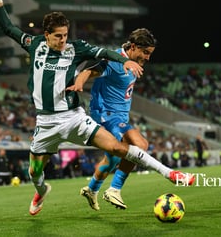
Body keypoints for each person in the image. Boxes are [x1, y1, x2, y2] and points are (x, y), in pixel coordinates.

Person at [0, 0, 195, 216]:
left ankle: (170, 174)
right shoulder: (33, 44)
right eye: (58, 36)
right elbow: (8, 28)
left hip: (74, 117)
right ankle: (42, 191)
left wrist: (124, 62)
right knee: (34, 172)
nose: (63, 40)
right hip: (45, 122)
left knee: (117, 148)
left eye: (65, 34)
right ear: (46, 35)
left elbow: (105, 53)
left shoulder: (76, 48)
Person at [75, 28, 194, 210]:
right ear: (133, 47)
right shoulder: (114, 60)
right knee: (140, 144)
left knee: (112, 160)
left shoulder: (131, 62)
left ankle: (91, 189)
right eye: (145, 52)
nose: (147, 58)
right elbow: (90, 72)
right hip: (107, 115)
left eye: (150, 54)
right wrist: (78, 83)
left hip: (120, 115)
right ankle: (115, 189)